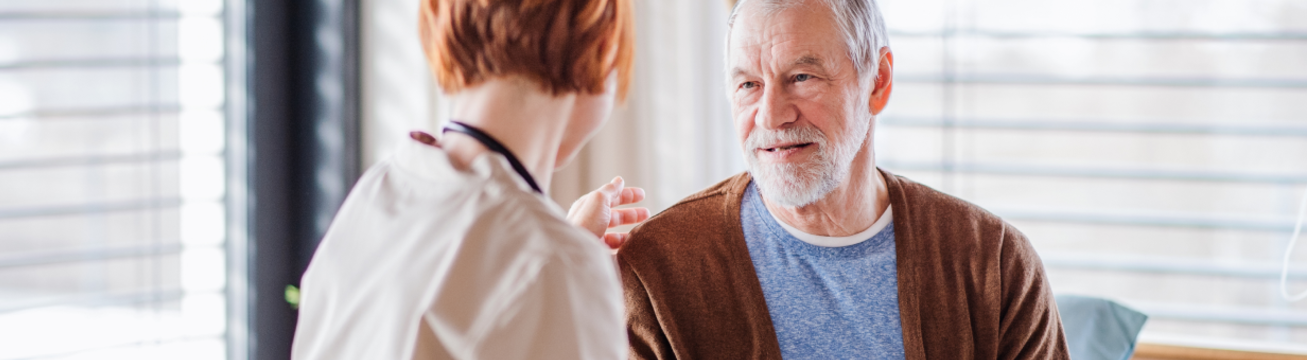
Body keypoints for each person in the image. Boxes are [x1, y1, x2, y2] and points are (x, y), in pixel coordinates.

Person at [614, 0, 1069, 358]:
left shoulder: (994, 262)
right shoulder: (658, 268)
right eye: (748, 85)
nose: (771, 114)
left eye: (802, 76)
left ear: (878, 81)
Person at [291, 0, 642, 358]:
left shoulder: (375, 194)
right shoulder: (554, 266)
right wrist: (566, 267)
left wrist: (562, 254)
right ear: (604, 45)